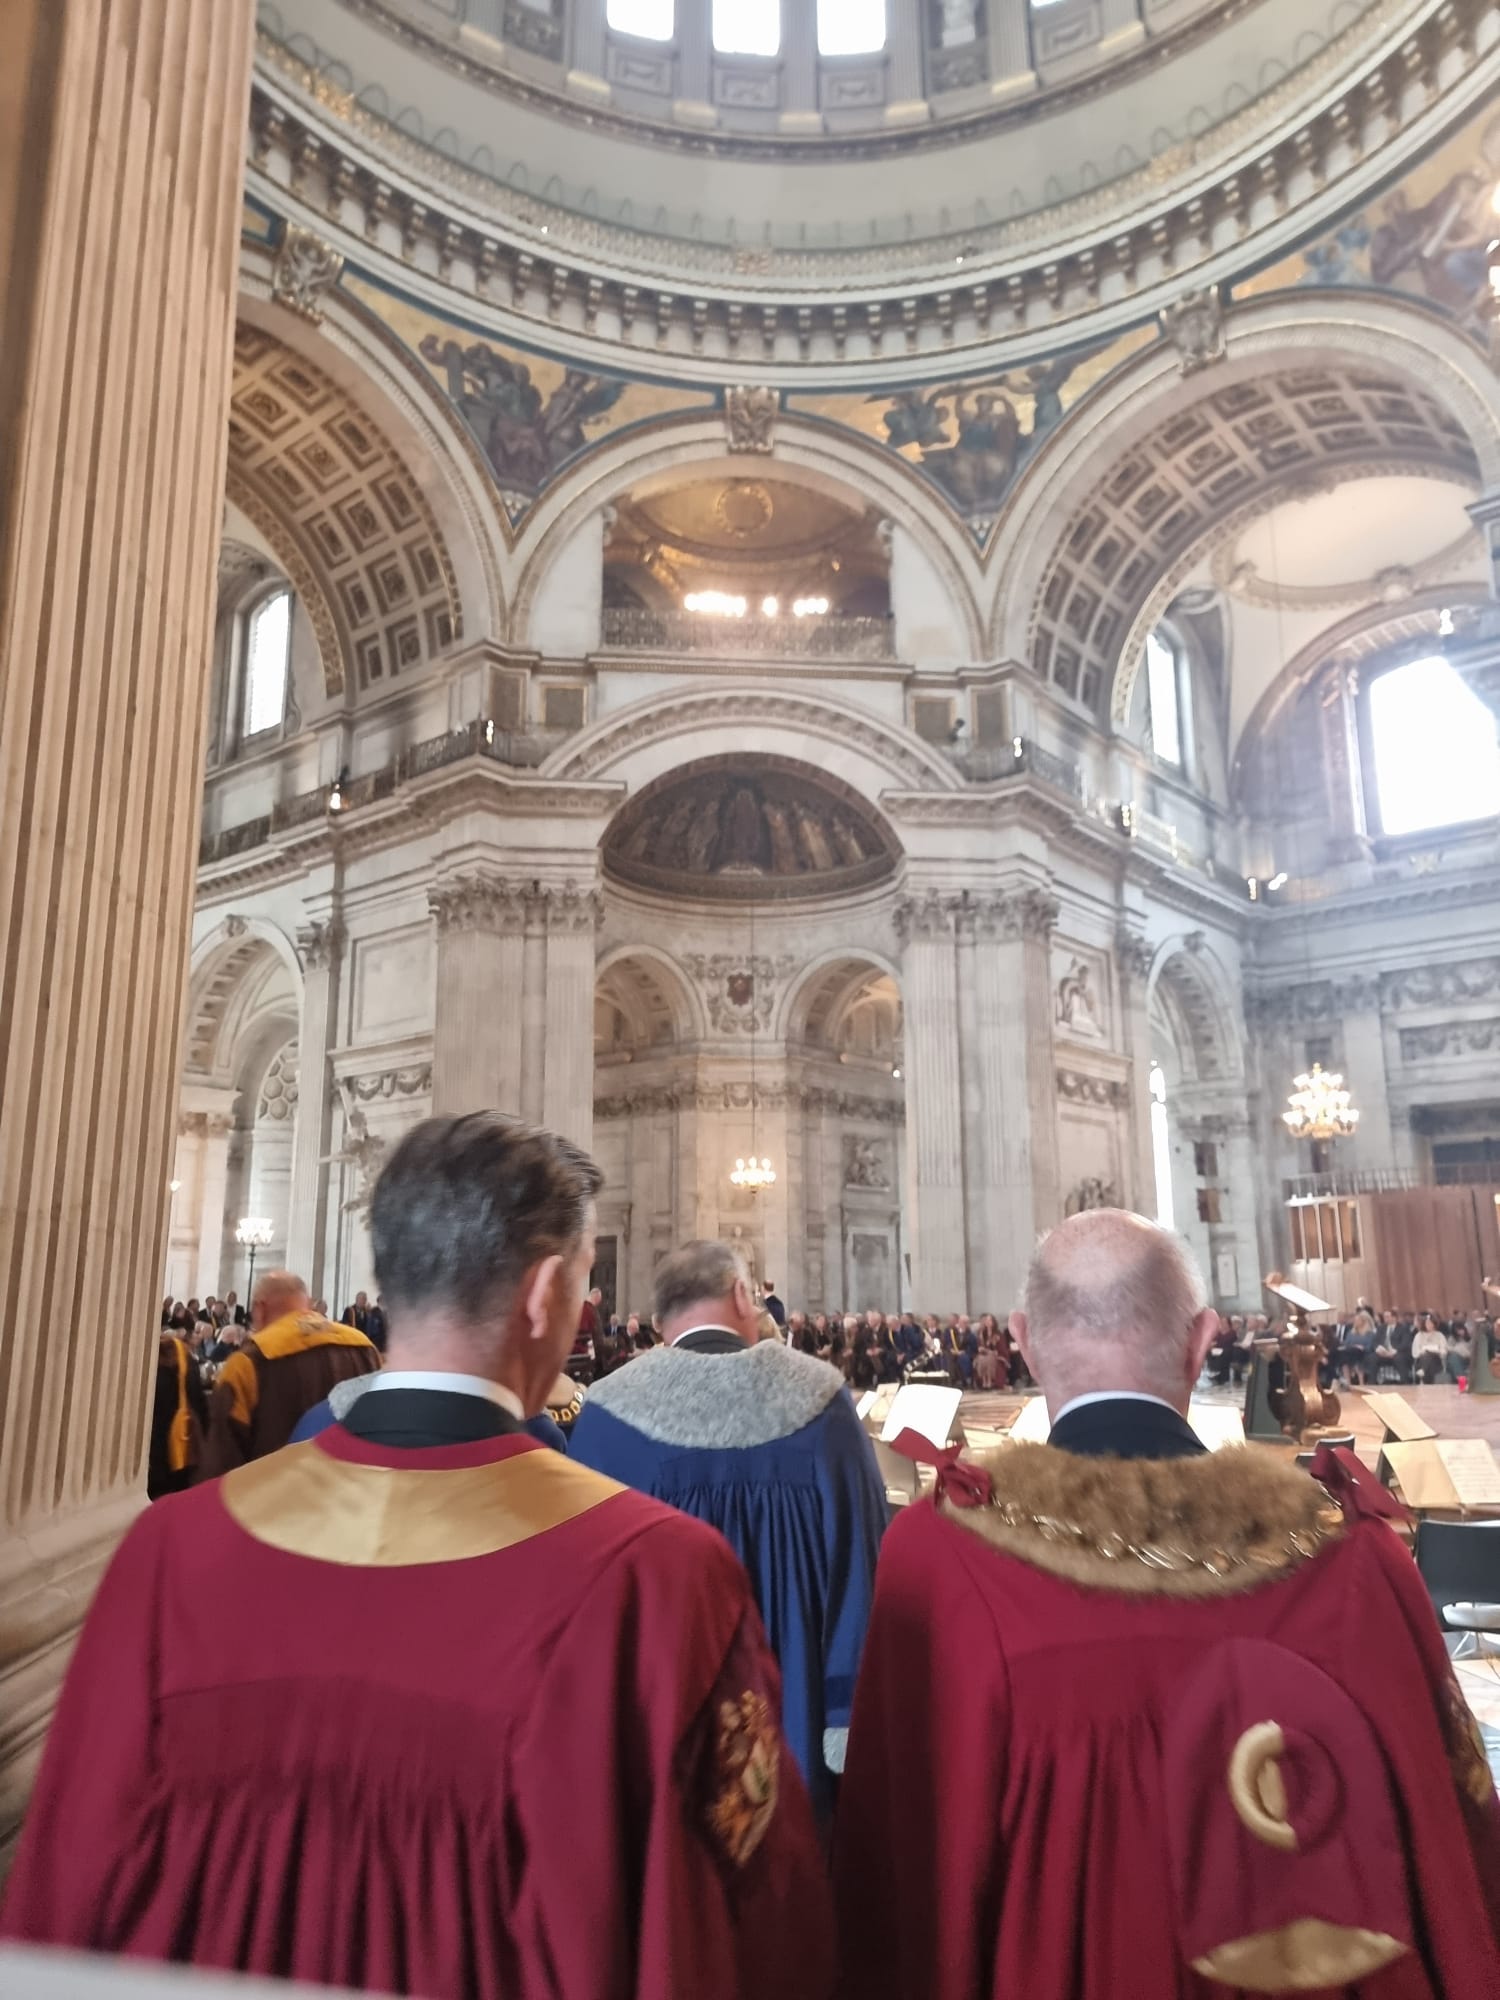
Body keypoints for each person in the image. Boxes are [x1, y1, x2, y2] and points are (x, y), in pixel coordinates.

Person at [2, 1114, 833, 1997]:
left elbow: (65, 1883)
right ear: (545, 1293)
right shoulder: (657, 1578)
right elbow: (751, 1916)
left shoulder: (169, 1551)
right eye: (585, 1280)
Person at [834, 1209, 1500, 2000]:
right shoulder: (1356, 1555)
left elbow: (897, 1870)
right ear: (1203, 1339)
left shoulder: (939, 1557)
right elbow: (1456, 1855)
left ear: (1023, 1340)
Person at [570, 1239, 887, 1824]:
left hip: (658, 1731)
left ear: (659, 1319)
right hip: (792, 1724)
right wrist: (846, 1715)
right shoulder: (822, 1403)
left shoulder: (606, 1417)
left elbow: (581, 1602)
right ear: (743, 1295)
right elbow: (859, 1566)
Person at [196, 1270, 380, 1479]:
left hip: (275, 1493)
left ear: (260, 1308)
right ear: (307, 1302)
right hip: (354, 1489)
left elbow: (222, 1461)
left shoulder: (249, 1361)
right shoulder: (364, 1348)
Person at [147, 1323, 209, 1500]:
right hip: (184, 1451)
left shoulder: (145, 1360)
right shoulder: (186, 1359)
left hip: (153, 1455)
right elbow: (202, 1407)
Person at [1412, 1311, 1449, 1384]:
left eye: (1431, 1323)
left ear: (1434, 1324)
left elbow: (1444, 1351)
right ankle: (1424, 1372)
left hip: (1436, 1360)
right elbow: (1415, 1352)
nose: (1429, 1325)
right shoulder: (1418, 1335)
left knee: (1430, 1357)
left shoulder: (1440, 1335)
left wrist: (1436, 1351)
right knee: (1427, 1356)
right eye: (1427, 1323)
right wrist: (1423, 1351)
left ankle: (1423, 1371)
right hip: (1421, 1360)